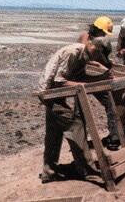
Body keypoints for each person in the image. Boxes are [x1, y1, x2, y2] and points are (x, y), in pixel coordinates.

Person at [37, 37, 113, 182]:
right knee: (75, 125)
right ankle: (86, 169)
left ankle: (49, 171)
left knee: (54, 132)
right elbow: (59, 81)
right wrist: (82, 86)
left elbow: (80, 78)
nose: (99, 59)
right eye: (100, 56)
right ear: (95, 49)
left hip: (54, 93)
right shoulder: (73, 53)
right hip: (49, 92)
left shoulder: (83, 55)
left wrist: (100, 78)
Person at [78, 16, 120, 150]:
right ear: (98, 29)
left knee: (110, 103)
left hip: (95, 75)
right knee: (80, 111)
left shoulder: (99, 40)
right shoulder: (85, 37)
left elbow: (101, 57)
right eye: (103, 32)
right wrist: (100, 65)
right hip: (81, 76)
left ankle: (114, 137)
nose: (104, 35)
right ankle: (81, 144)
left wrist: (108, 63)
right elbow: (83, 57)